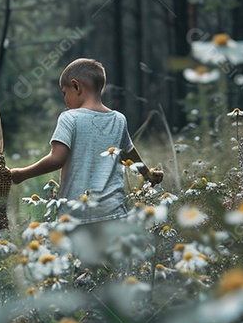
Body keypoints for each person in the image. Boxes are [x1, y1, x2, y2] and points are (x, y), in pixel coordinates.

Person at [9, 58, 163, 224]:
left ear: (76, 86)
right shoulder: (119, 119)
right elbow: (128, 154)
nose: (65, 99)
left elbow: (57, 159)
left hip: (77, 215)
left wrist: (21, 174)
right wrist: (147, 175)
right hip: (114, 213)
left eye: (64, 93)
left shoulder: (69, 118)